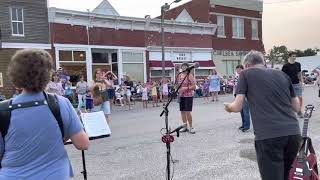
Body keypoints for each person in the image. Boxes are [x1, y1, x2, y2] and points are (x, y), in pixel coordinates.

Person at [0, 49, 89, 179]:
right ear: (47, 75)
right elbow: (83, 144)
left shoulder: (3, 110)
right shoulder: (61, 103)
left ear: (15, 76)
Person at [224, 51, 301, 180]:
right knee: (287, 176)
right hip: (293, 134)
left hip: (269, 136)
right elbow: (297, 107)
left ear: (247, 65)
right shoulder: (282, 74)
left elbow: (237, 106)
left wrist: (228, 107)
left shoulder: (245, 74)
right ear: (263, 62)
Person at [282, 52, 304, 118]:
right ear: (289, 57)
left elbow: (299, 73)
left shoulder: (298, 64)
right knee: (291, 99)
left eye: (295, 56)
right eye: (293, 56)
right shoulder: (285, 66)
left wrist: (302, 81)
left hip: (297, 83)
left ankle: (299, 112)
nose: (294, 57)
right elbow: (283, 76)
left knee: (300, 97)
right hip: (289, 85)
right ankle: (291, 112)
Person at [177, 63, 196, 134]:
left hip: (188, 96)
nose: (183, 68)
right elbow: (178, 84)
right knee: (182, 111)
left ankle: (191, 127)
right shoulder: (180, 75)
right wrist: (177, 87)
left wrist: (186, 88)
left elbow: (194, 86)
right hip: (181, 95)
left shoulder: (190, 75)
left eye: (185, 67)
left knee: (188, 112)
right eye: (182, 67)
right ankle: (185, 126)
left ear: (188, 68)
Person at [234, 65, 251, 132]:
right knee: (241, 111)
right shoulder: (238, 77)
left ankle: (246, 126)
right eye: (237, 70)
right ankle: (243, 124)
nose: (237, 71)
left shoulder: (245, 76)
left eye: (238, 69)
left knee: (245, 111)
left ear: (242, 69)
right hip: (239, 96)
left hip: (244, 96)